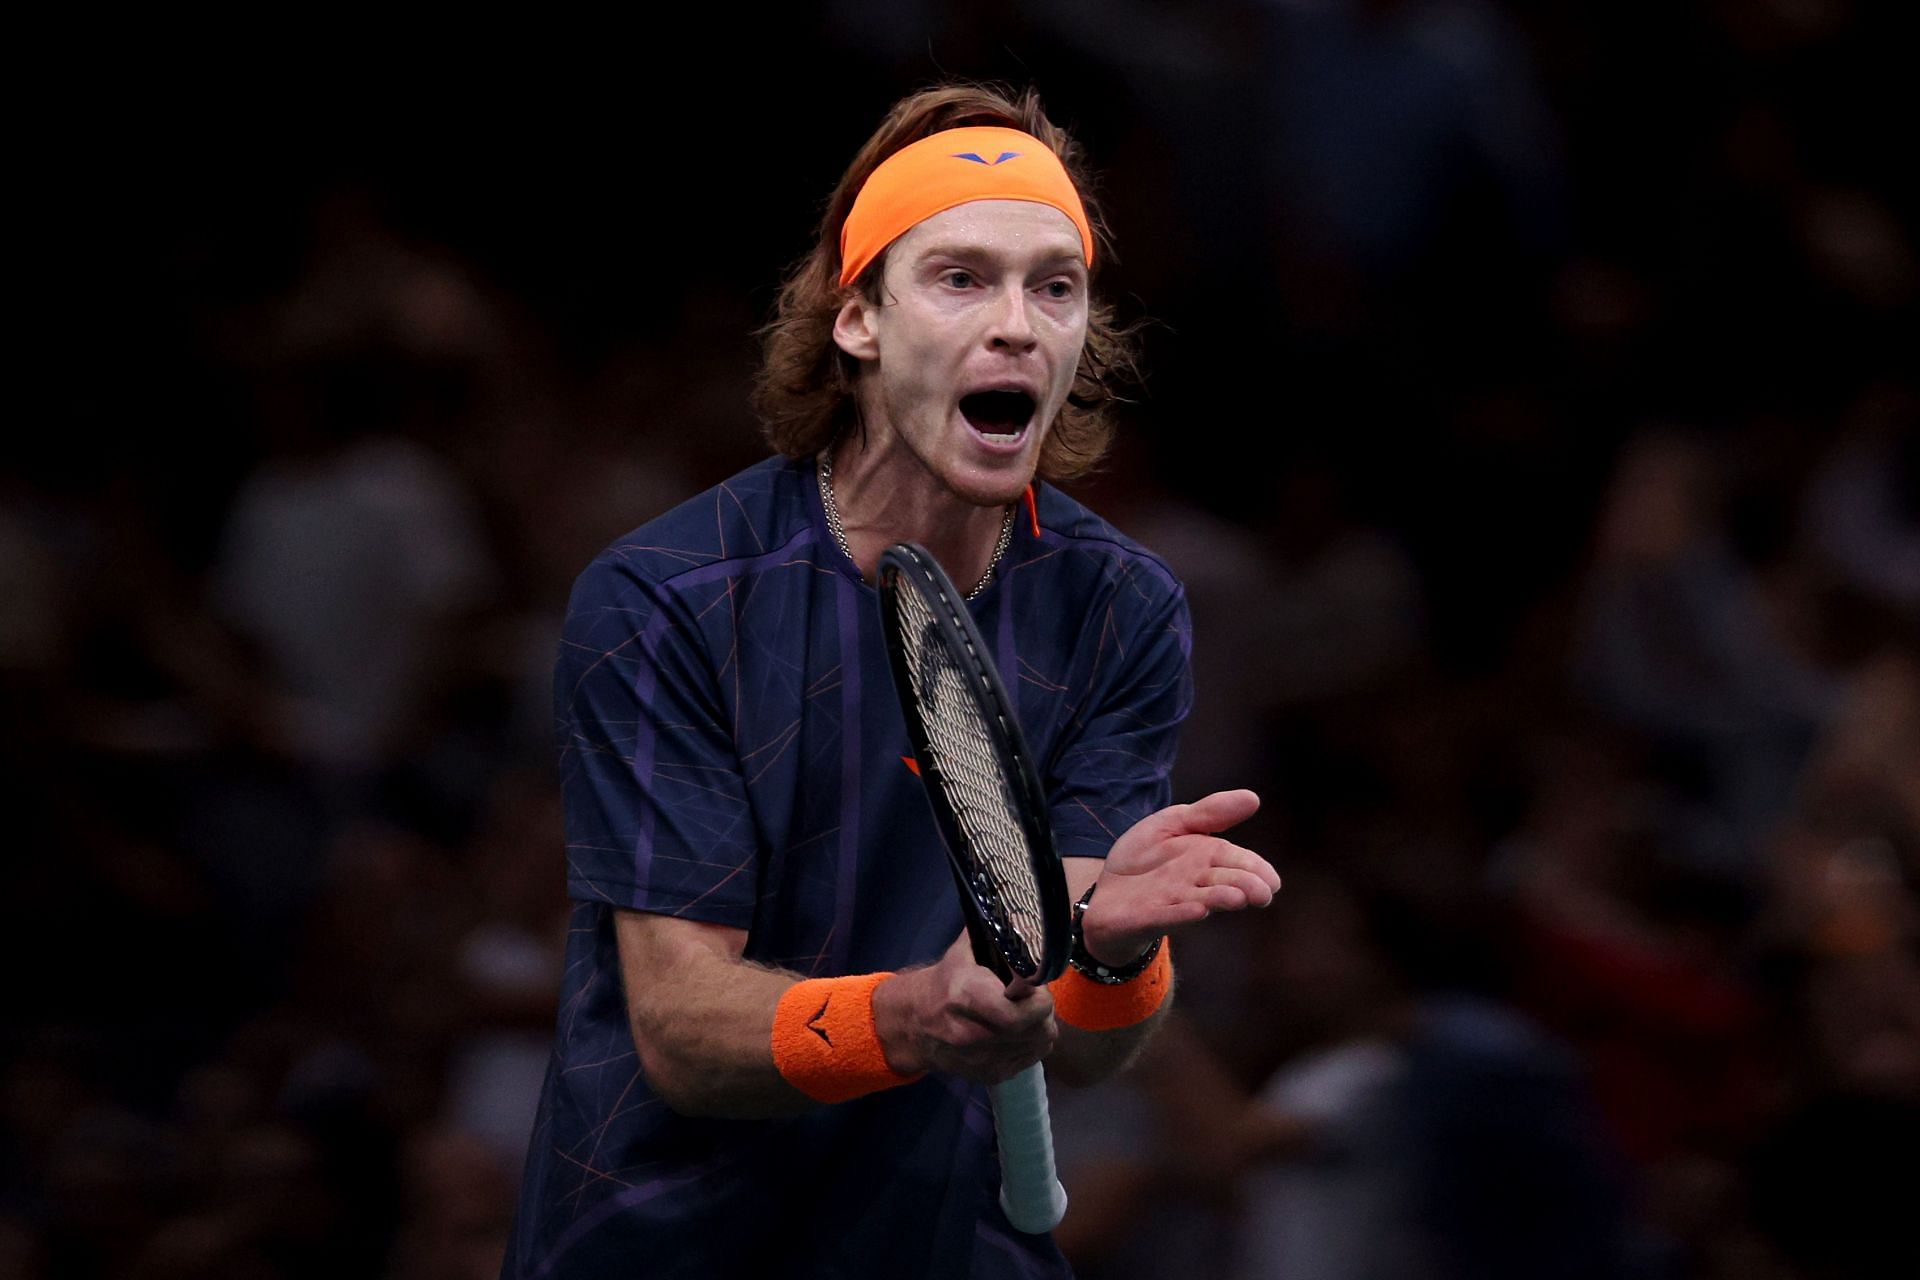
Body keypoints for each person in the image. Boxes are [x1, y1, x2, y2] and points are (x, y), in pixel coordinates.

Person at [501, 83, 1281, 1280]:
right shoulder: (669, 594)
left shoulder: (1120, 605)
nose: (1018, 323)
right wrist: (917, 1011)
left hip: (942, 1231)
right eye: (961, 277)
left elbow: (1072, 1033)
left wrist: (1114, 958)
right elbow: (678, 1025)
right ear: (857, 318)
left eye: (1054, 284)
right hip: (662, 1231)